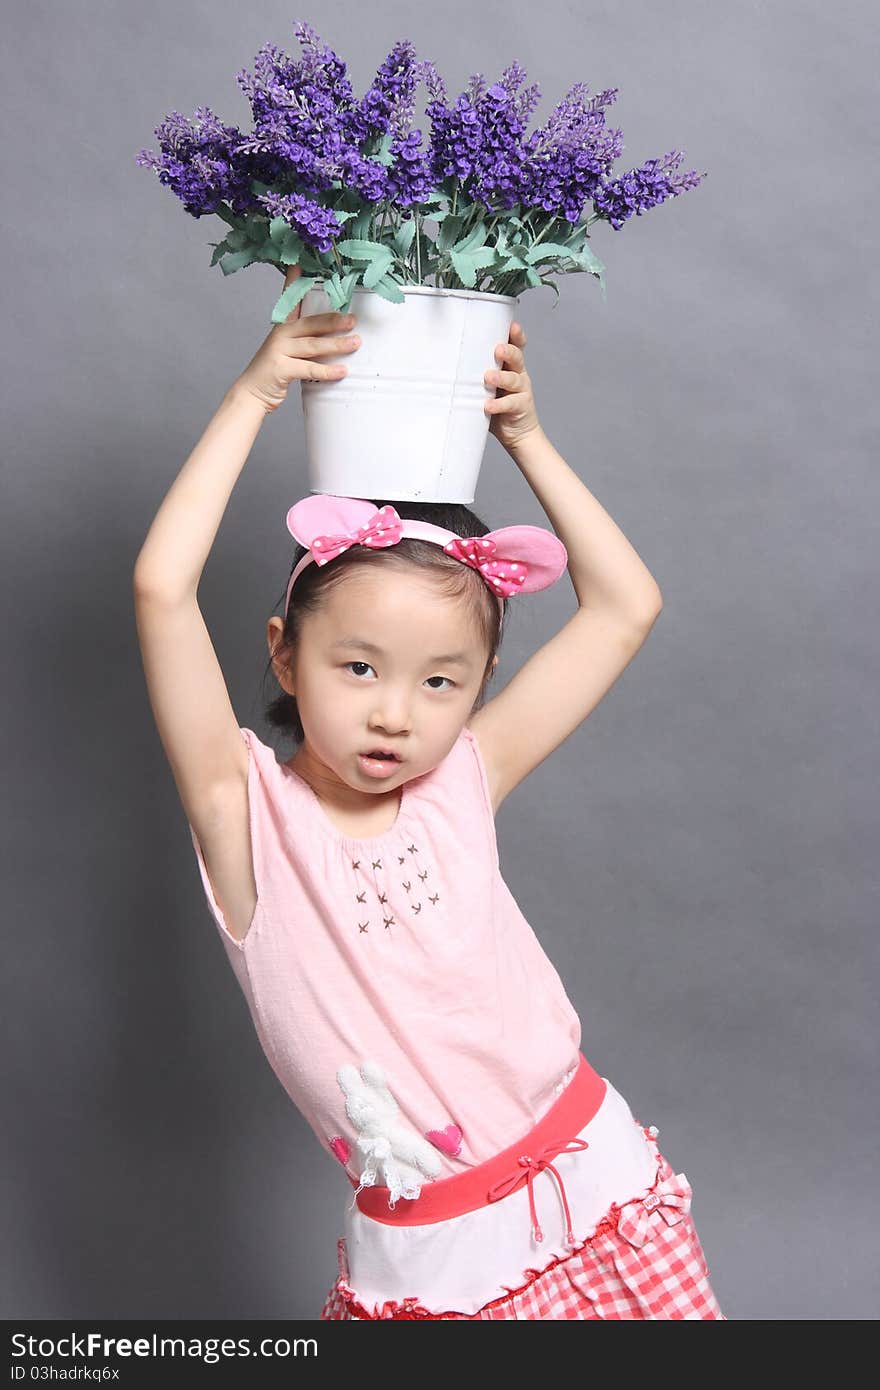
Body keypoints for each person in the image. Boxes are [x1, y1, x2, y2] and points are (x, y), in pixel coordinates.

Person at [133, 265, 726, 1320]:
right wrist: (252, 395)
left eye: (439, 681)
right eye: (357, 668)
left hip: (595, 1180)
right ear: (282, 652)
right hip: (438, 1256)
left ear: (478, 689)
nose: (396, 714)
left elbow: (625, 606)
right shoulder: (246, 818)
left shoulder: (462, 778)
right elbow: (159, 588)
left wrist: (524, 437)